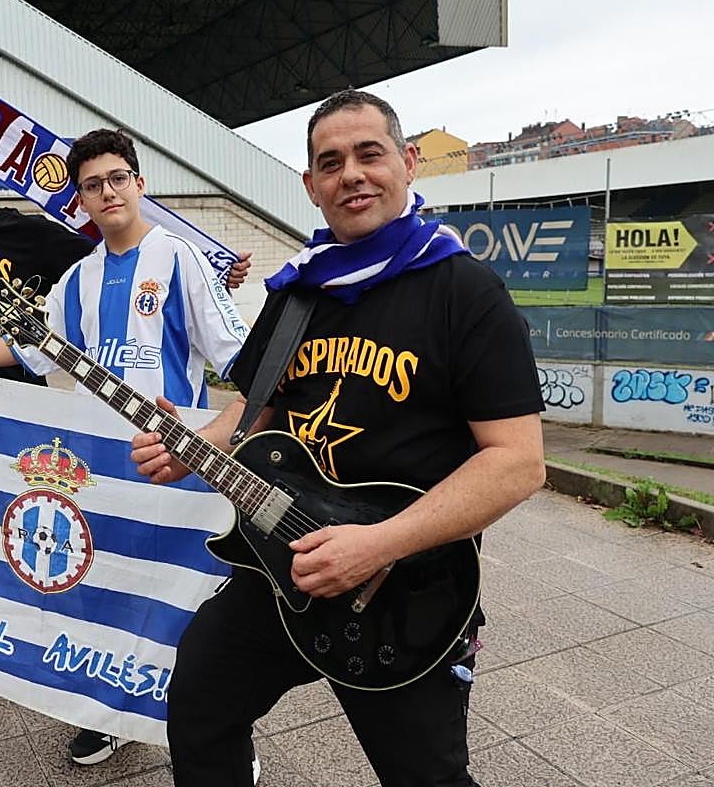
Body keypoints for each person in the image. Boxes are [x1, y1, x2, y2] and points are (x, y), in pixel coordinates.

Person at [129, 90, 547, 786]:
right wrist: (195, 439)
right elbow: (256, 411)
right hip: (283, 562)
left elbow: (518, 463)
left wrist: (379, 544)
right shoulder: (299, 293)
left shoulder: (465, 293)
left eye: (369, 153)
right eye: (331, 162)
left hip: (406, 588)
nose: (351, 173)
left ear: (408, 163)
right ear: (311, 186)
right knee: (199, 705)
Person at [0, 18, 250, 699]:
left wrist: (223, 432)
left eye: (117, 179)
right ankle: (103, 709)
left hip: (174, 456)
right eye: (93, 185)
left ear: (138, 182)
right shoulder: (78, 280)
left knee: (186, 602)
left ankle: (215, 731)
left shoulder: (175, 257)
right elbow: (29, 349)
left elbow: (241, 362)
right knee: (101, 582)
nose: (107, 192)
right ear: (81, 197)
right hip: (95, 457)